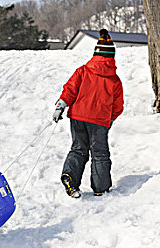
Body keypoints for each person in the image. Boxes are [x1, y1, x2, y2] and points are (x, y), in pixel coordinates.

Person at [53, 29, 124, 198]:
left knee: (78, 149)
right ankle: (101, 188)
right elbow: (118, 105)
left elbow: (70, 90)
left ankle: (70, 176)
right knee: (99, 154)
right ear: (111, 57)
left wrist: (61, 105)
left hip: (77, 117)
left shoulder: (82, 71)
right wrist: (110, 119)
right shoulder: (114, 80)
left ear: (95, 53)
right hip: (99, 122)